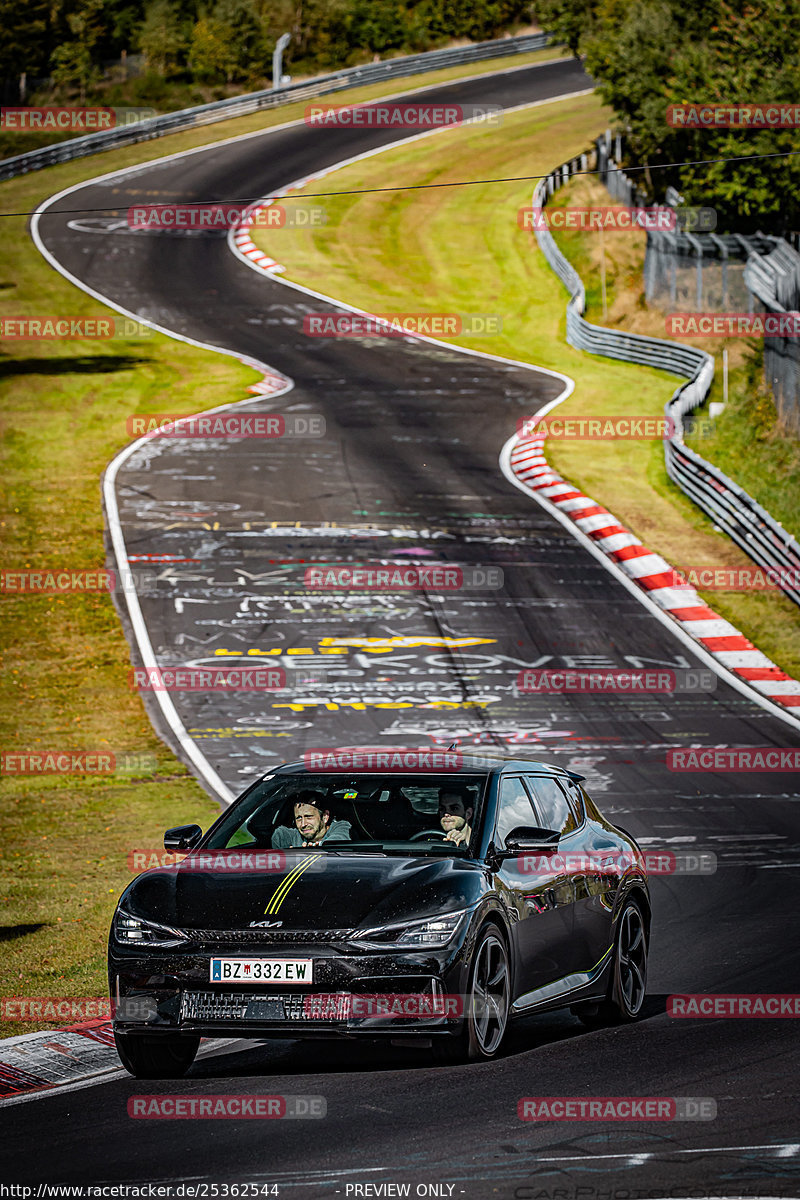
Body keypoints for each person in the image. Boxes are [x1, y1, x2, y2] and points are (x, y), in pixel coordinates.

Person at [271, 790, 351, 848]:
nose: (303, 824)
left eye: (308, 817)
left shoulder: (341, 827)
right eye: (298, 818)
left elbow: (338, 840)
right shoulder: (288, 836)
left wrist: (319, 848)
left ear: (325, 816)